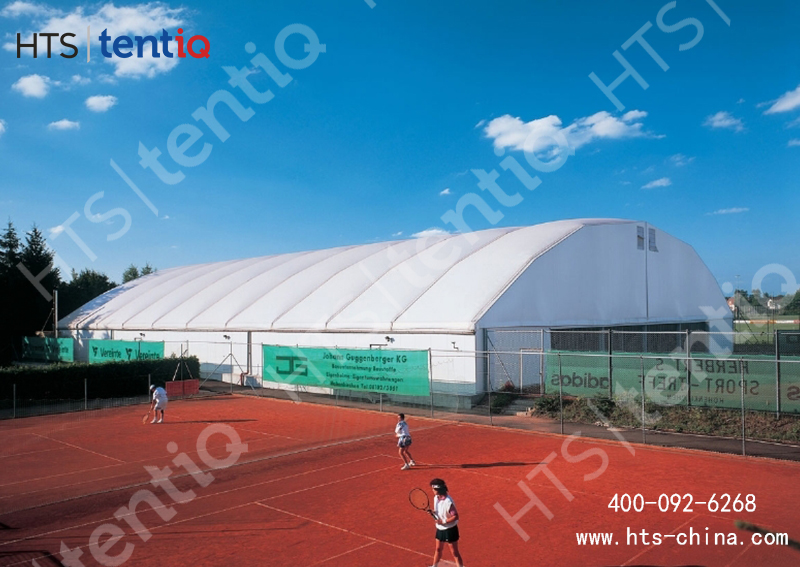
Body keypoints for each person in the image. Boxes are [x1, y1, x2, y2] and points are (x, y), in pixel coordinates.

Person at [429, 478, 464, 567]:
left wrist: (443, 521)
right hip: (440, 528)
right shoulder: (436, 498)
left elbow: (455, 516)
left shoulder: (448, 502)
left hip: (450, 529)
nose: (432, 491)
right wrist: (434, 512)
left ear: (438, 489)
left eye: (433, 489)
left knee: (454, 552)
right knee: (438, 549)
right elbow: (439, 511)